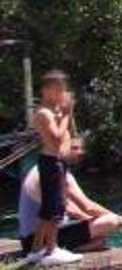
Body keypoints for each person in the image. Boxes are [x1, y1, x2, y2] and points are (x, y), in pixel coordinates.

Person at [18, 138, 122, 258]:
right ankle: (54, 250)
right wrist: (118, 219)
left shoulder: (43, 168)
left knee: (100, 240)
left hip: (27, 241)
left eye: (81, 148)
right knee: (111, 222)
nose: (80, 152)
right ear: (61, 147)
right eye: (74, 148)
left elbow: (70, 207)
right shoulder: (55, 172)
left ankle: (68, 249)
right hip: (39, 239)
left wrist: (90, 221)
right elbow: (88, 207)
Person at [26, 70, 80, 266]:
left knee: (48, 208)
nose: (62, 94)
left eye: (63, 90)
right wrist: (66, 114)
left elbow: (68, 135)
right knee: (55, 208)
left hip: (56, 162)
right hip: (51, 162)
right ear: (47, 91)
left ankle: (36, 250)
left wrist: (67, 113)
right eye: (58, 90)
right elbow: (56, 139)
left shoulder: (53, 111)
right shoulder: (43, 113)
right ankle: (52, 249)